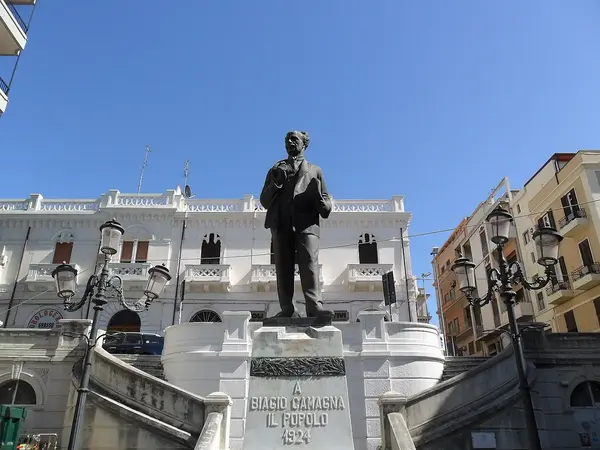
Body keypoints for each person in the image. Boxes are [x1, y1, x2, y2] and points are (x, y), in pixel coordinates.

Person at [260, 130, 333, 321]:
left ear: (304, 144)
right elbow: (264, 201)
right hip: (281, 222)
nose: (290, 142)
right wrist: (276, 183)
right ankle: (286, 308)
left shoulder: (315, 170)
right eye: (287, 140)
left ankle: (314, 306)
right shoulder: (275, 169)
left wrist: (319, 199)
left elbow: (326, 205)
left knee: (309, 264)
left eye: (294, 139)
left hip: (306, 224)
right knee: (283, 267)